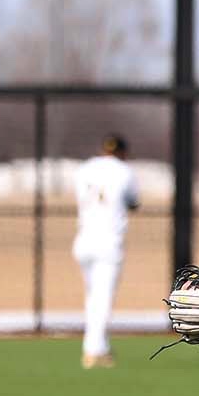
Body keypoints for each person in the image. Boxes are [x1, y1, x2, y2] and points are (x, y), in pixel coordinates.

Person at [71, 133, 139, 369]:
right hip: (108, 243)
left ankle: (99, 346)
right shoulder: (125, 170)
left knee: (93, 297)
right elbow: (133, 202)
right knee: (102, 298)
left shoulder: (86, 168)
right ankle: (94, 350)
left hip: (83, 240)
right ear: (122, 152)